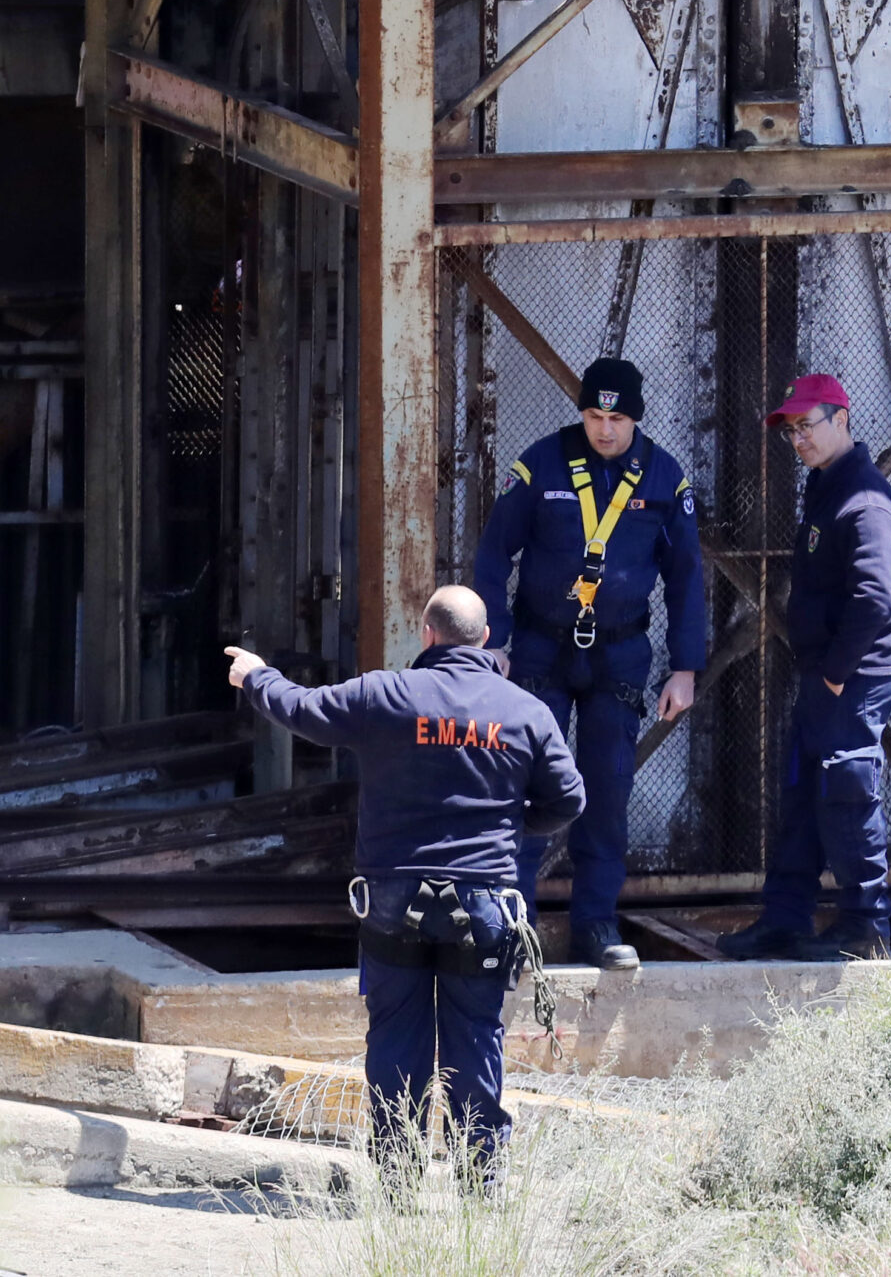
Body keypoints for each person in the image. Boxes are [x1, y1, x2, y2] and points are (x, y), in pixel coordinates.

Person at [225, 586, 584, 1183]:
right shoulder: (526, 712)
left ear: (426, 633)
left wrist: (256, 676)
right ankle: (482, 1189)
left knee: (395, 1039)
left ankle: (397, 1187)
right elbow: (568, 799)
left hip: (393, 901)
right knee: (477, 1042)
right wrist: (509, 824)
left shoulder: (385, 695)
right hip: (485, 904)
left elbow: (303, 710)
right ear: (485, 638)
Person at [471, 357, 705, 972]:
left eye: (617, 419)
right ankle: (512, 926)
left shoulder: (665, 477)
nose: (604, 429)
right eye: (595, 416)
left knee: (606, 791)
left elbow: (687, 577)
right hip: (540, 651)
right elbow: (493, 554)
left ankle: (596, 926)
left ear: (636, 419)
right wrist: (493, 641)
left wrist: (686, 667)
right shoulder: (540, 465)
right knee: (528, 787)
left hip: (619, 657)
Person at [719, 374, 891, 962]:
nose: (798, 438)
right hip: (826, 676)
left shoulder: (866, 501)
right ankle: (785, 919)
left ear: (841, 419)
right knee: (803, 795)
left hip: (853, 678)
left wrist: (836, 673)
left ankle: (865, 927)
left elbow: (875, 599)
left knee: (846, 791)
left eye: (807, 425)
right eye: (791, 430)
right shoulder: (827, 488)